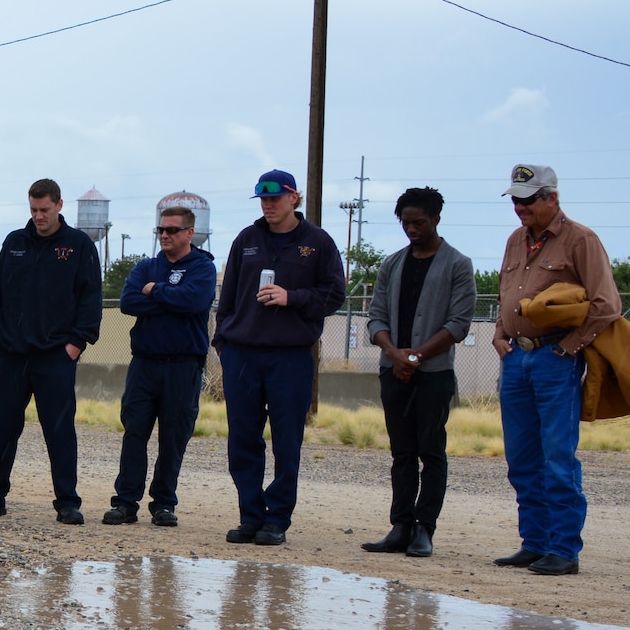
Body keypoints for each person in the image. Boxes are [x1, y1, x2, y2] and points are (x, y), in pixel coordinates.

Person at [490, 164, 621, 576]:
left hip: (554, 360)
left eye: (528, 200)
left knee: (557, 458)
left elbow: (606, 305)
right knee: (522, 458)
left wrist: (567, 349)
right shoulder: (515, 240)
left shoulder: (581, 240)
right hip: (515, 360)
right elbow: (506, 294)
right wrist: (498, 335)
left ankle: (564, 549)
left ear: (552, 198)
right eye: (515, 199)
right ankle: (535, 542)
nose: (520, 207)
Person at [210, 169, 347, 546]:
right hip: (243, 354)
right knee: (243, 439)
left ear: (294, 198)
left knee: (287, 441)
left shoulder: (317, 243)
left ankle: (277, 519)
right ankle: (250, 516)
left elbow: (334, 296)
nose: (268, 205)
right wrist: (224, 343)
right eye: (263, 199)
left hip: (290, 357)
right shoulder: (247, 240)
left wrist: (293, 297)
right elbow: (229, 298)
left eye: (275, 198)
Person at [0, 179, 102, 524]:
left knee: (59, 430)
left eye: (44, 210)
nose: (38, 216)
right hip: (11, 354)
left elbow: (90, 298)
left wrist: (76, 344)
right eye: (33, 210)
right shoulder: (15, 242)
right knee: (4, 426)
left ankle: (67, 501)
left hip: (55, 356)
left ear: (59, 205)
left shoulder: (78, 246)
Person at [361, 188, 476, 558]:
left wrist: (416, 357)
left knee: (432, 450)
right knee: (402, 452)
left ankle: (425, 529)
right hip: (392, 370)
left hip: (434, 373)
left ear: (436, 219)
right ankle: (400, 525)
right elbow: (375, 317)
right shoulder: (391, 264)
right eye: (405, 223)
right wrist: (395, 355)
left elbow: (459, 323)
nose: (411, 229)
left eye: (419, 222)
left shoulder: (458, 264)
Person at [102, 206, 217, 527]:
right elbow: (128, 302)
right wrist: (171, 298)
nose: (165, 236)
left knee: (173, 437)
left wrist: (155, 291)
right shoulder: (146, 266)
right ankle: (125, 502)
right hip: (145, 364)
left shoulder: (203, 268)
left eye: (172, 230)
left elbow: (194, 302)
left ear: (190, 233)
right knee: (135, 432)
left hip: (183, 366)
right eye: (160, 231)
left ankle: (164, 503)